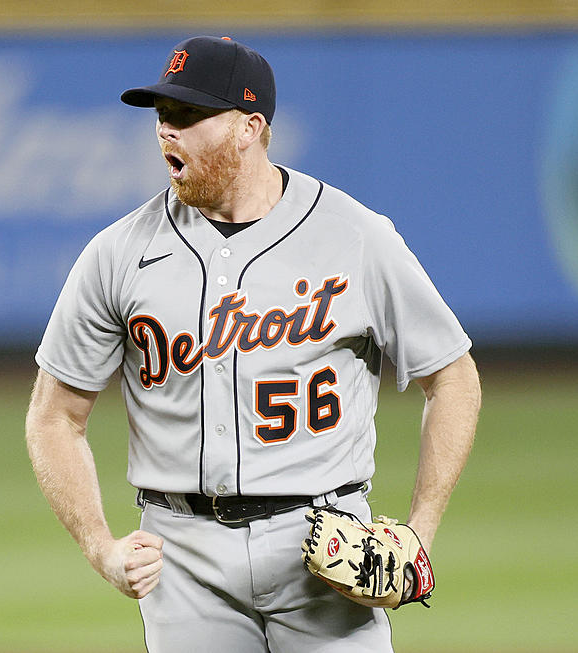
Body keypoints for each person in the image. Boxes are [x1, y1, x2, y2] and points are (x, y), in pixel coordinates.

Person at [25, 35, 481, 652]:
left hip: (325, 548)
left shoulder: (354, 236)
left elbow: (453, 376)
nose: (167, 131)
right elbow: (55, 417)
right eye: (162, 114)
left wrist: (421, 530)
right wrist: (100, 546)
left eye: (188, 115)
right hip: (180, 554)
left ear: (249, 128)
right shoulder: (117, 254)